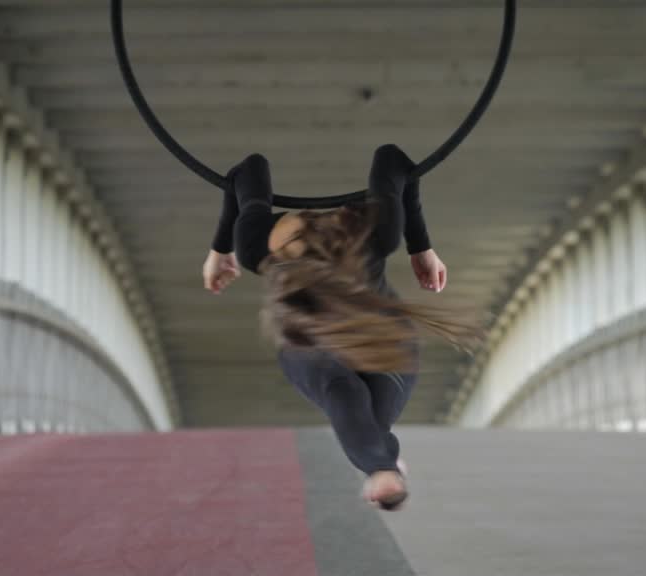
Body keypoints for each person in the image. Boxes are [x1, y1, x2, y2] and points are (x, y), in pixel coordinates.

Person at [201, 145, 477, 510]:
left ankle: (382, 462)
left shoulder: (256, 246)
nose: (315, 217)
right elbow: (394, 161)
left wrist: (220, 249)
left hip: (369, 337)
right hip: (340, 341)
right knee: (350, 398)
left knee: (353, 402)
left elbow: (248, 169)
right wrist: (420, 247)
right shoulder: (378, 232)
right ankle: (382, 462)